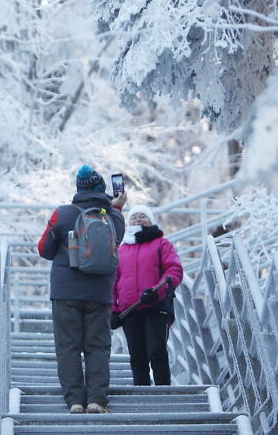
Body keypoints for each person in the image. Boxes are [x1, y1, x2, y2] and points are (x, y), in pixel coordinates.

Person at [37, 165, 126, 414]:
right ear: (102, 190)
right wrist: (117, 206)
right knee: (98, 346)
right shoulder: (114, 217)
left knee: (68, 346)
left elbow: (44, 250)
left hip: (65, 292)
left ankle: (75, 400)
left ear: (78, 190)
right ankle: (97, 399)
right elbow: (116, 241)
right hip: (100, 293)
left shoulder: (62, 214)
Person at [112, 205, 183, 386]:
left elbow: (174, 271)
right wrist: (112, 309)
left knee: (157, 351)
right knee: (137, 356)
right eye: (134, 217)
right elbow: (112, 281)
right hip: (129, 309)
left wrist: (157, 291)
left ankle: (164, 394)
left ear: (151, 220)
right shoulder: (122, 249)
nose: (138, 220)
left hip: (155, 304)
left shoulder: (162, 244)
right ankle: (141, 394)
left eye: (143, 216)